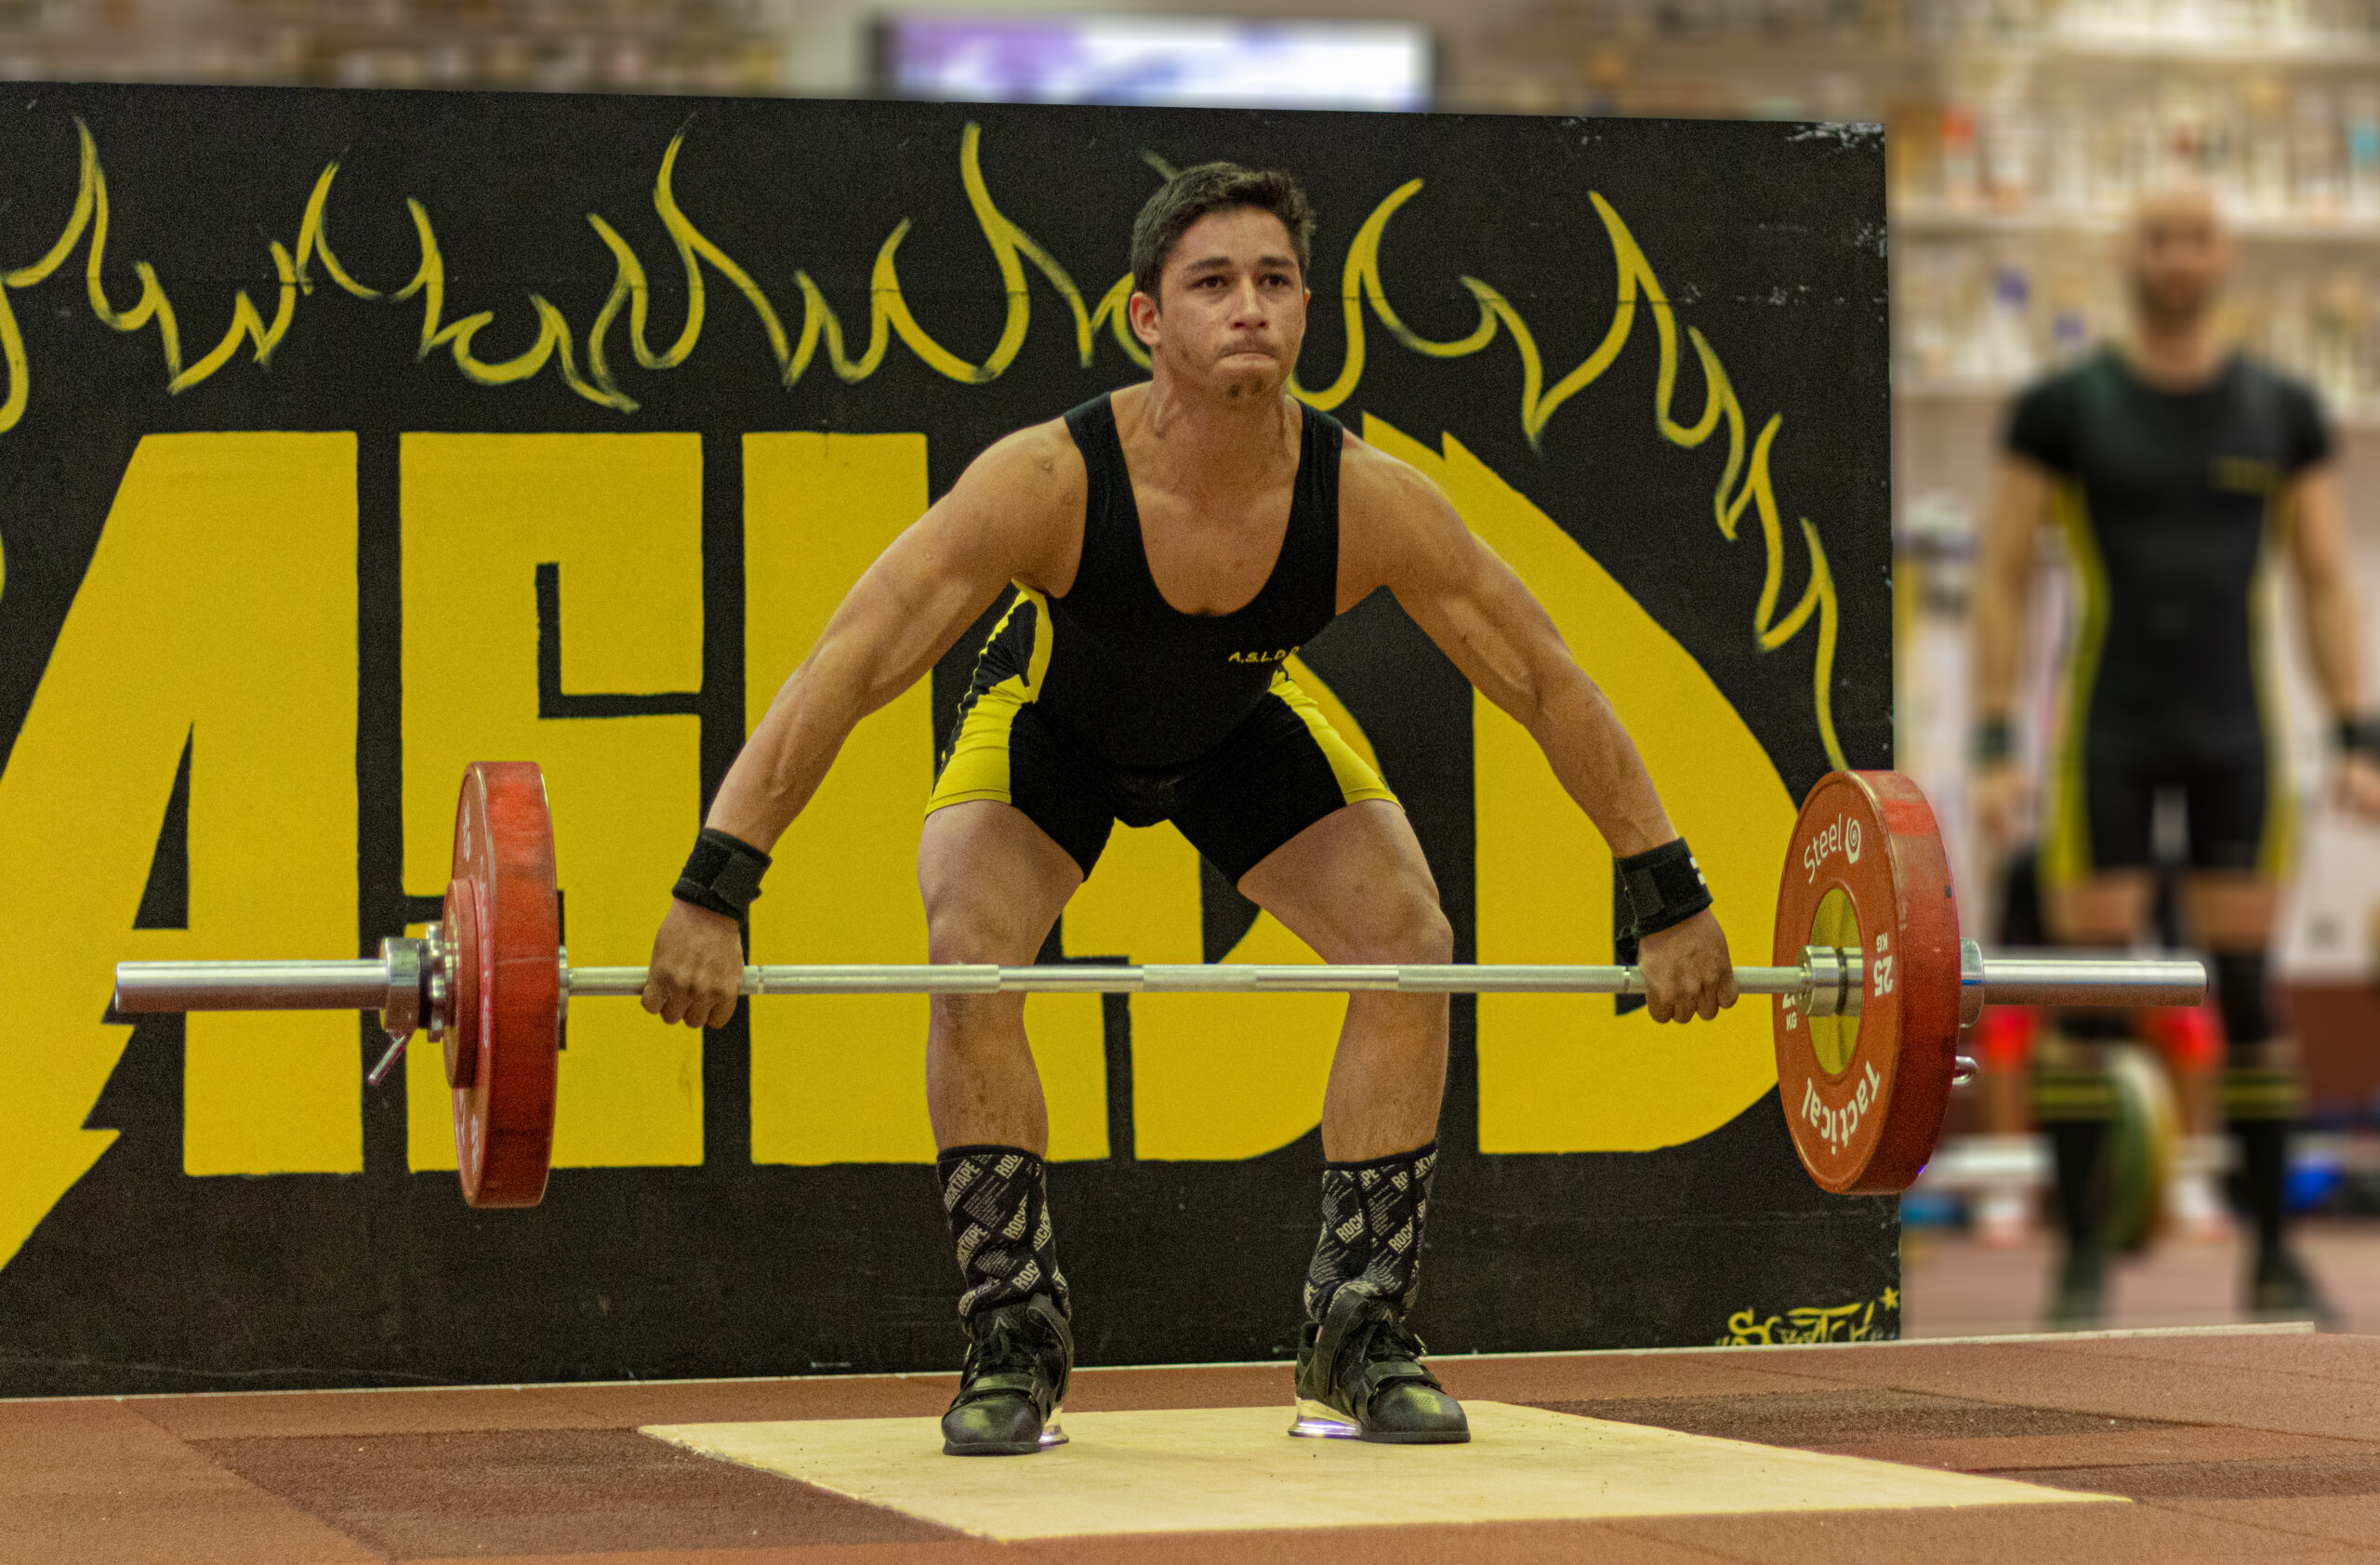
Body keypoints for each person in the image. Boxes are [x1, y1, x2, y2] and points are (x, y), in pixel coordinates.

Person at [639, 162, 1738, 1454]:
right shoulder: (1046, 480)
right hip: (1048, 731)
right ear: (1147, 319)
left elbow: (1543, 680)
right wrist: (713, 888)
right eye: (1213, 282)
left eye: (1275, 280)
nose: (1249, 306)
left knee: (1411, 942)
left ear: (1307, 309)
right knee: (969, 951)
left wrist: (1670, 895)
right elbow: (851, 665)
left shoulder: (1366, 500)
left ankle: (1357, 1336)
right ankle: (1013, 1339)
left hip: (1237, 731)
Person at [1972, 181, 2380, 1324]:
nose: (2178, 256)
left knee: (2245, 988)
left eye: (2197, 238)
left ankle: (2275, 1259)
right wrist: (1996, 738)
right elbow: (2003, 575)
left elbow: (2323, 579)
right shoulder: (2064, 408)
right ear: (2130, 254)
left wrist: (2355, 732)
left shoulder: (2279, 411)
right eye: (2159, 237)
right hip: (2107, 729)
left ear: (2224, 255)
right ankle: (2080, 1264)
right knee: (2088, 996)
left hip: (2233, 731)